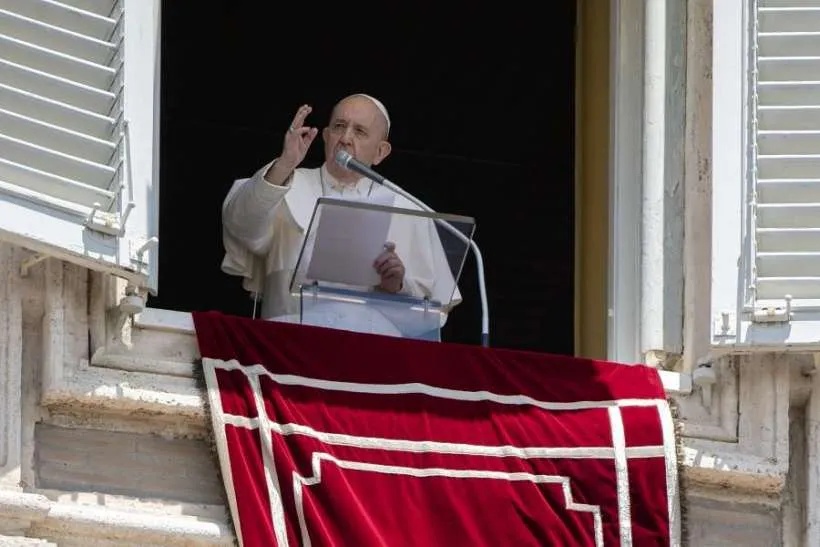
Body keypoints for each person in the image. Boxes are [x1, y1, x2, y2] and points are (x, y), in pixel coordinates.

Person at [220, 93, 461, 334]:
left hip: (374, 351)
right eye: (339, 127)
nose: (345, 138)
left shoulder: (408, 208)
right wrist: (285, 163)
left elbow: (432, 313)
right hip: (288, 340)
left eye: (359, 131)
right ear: (325, 137)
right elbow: (241, 226)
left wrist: (397, 285)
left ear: (380, 152)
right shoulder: (287, 183)